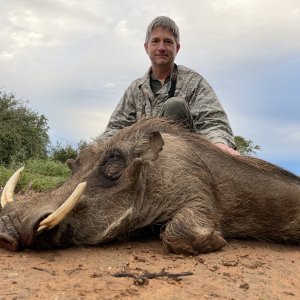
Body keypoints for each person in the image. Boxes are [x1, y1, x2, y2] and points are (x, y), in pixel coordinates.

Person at [98, 16, 240, 156]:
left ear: (177, 48)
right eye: (155, 41)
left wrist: (219, 143)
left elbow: (213, 122)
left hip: (186, 160)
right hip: (142, 162)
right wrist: (93, 151)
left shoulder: (194, 82)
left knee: (174, 106)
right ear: (146, 47)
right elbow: (116, 129)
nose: (161, 47)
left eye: (168, 42)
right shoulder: (135, 89)